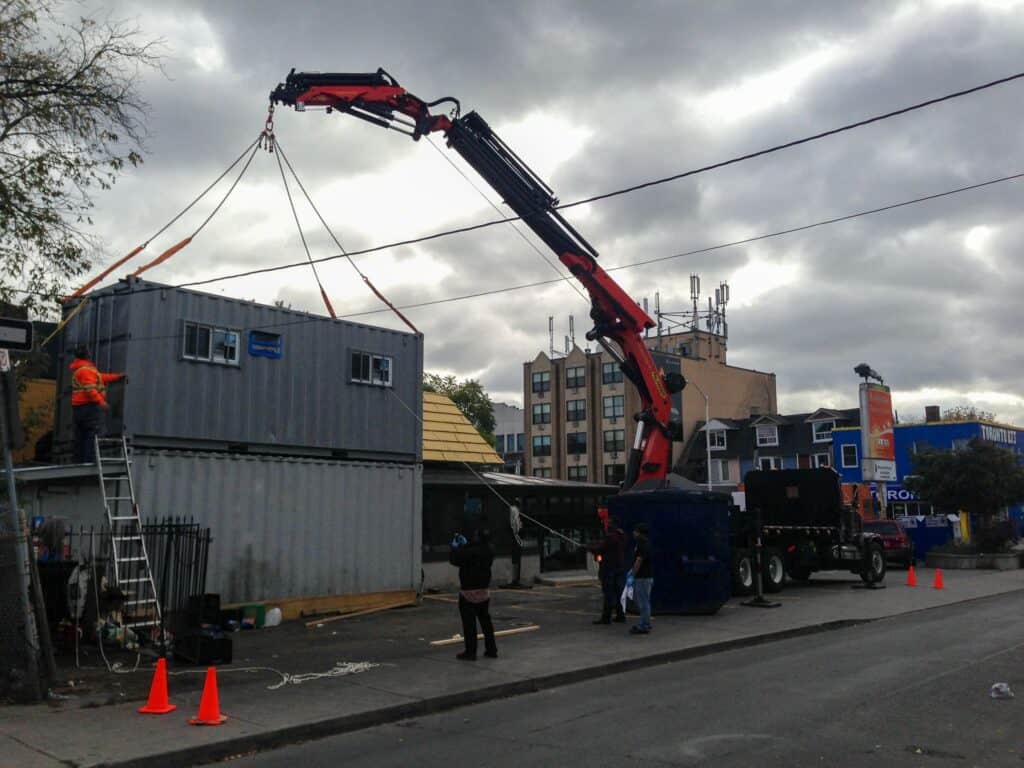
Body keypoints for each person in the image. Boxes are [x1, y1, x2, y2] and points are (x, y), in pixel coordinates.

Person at [69, 345, 126, 464]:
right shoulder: (86, 370)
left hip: (79, 408)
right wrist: (101, 402)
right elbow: (90, 389)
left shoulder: (82, 369)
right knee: (92, 432)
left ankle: (78, 461)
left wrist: (116, 377)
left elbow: (100, 377)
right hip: (88, 406)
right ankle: (89, 461)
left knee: (81, 434)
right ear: (87, 355)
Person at [449, 527, 498, 660]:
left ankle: (471, 652)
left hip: (469, 591)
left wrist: (456, 548)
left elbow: (455, 559)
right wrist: (466, 546)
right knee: (485, 620)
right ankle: (491, 649)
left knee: (469, 623)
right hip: (484, 590)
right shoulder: (489, 550)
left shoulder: (470, 552)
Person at [588, 515, 626, 624]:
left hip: (609, 568)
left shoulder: (611, 537)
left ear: (614, 524)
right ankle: (620, 615)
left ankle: (606, 617)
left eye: (609, 523)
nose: (607, 525)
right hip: (619, 567)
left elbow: (601, 549)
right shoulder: (621, 535)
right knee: (618, 592)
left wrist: (590, 548)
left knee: (609, 593)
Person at [629, 523, 653, 635]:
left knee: (642, 602)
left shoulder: (641, 544)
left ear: (639, 532)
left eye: (635, 531)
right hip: (647, 576)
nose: (633, 533)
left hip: (642, 577)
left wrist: (632, 574)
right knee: (645, 601)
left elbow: (639, 560)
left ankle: (644, 625)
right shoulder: (646, 543)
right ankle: (646, 623)